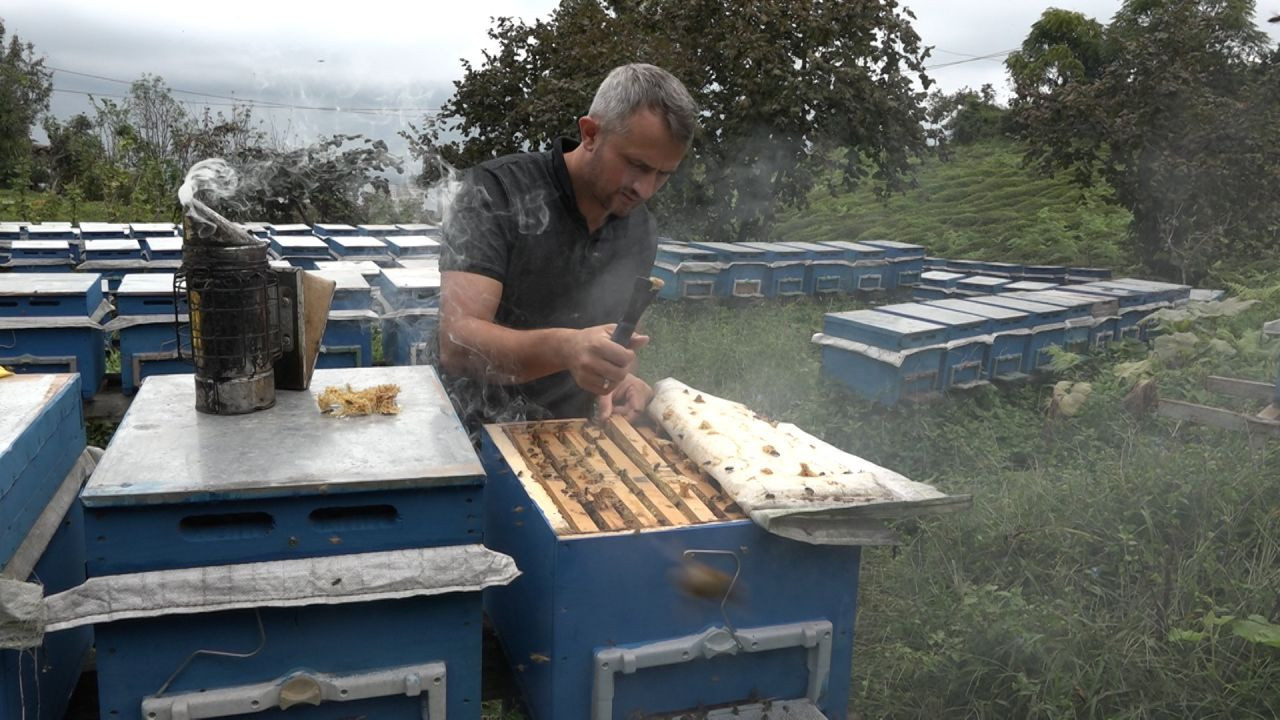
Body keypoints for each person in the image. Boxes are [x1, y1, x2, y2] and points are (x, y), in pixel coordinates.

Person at [436, 63, 697, 432]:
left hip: (568, 438)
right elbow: (457, 342)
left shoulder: (641, 228)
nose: (645, 189)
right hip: (472, 437)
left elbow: (618, 338)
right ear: (590, 133)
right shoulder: (495, 192)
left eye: (663, 174)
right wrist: (566, 349)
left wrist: (618, 378)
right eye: (636, 165)